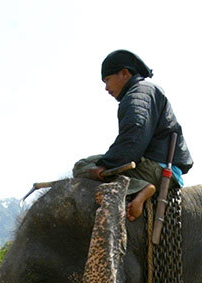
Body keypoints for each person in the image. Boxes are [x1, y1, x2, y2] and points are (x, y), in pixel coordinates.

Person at [73, 50, 192, 222]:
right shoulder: (145, 91)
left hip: (157, 169)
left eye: (107, 80)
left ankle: (142, 187)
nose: (106, 88)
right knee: (90, 166)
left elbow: (134, 134)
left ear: (124, 73)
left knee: (82, 166)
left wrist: (107, 165)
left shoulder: (138, 94)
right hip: (165, 166)